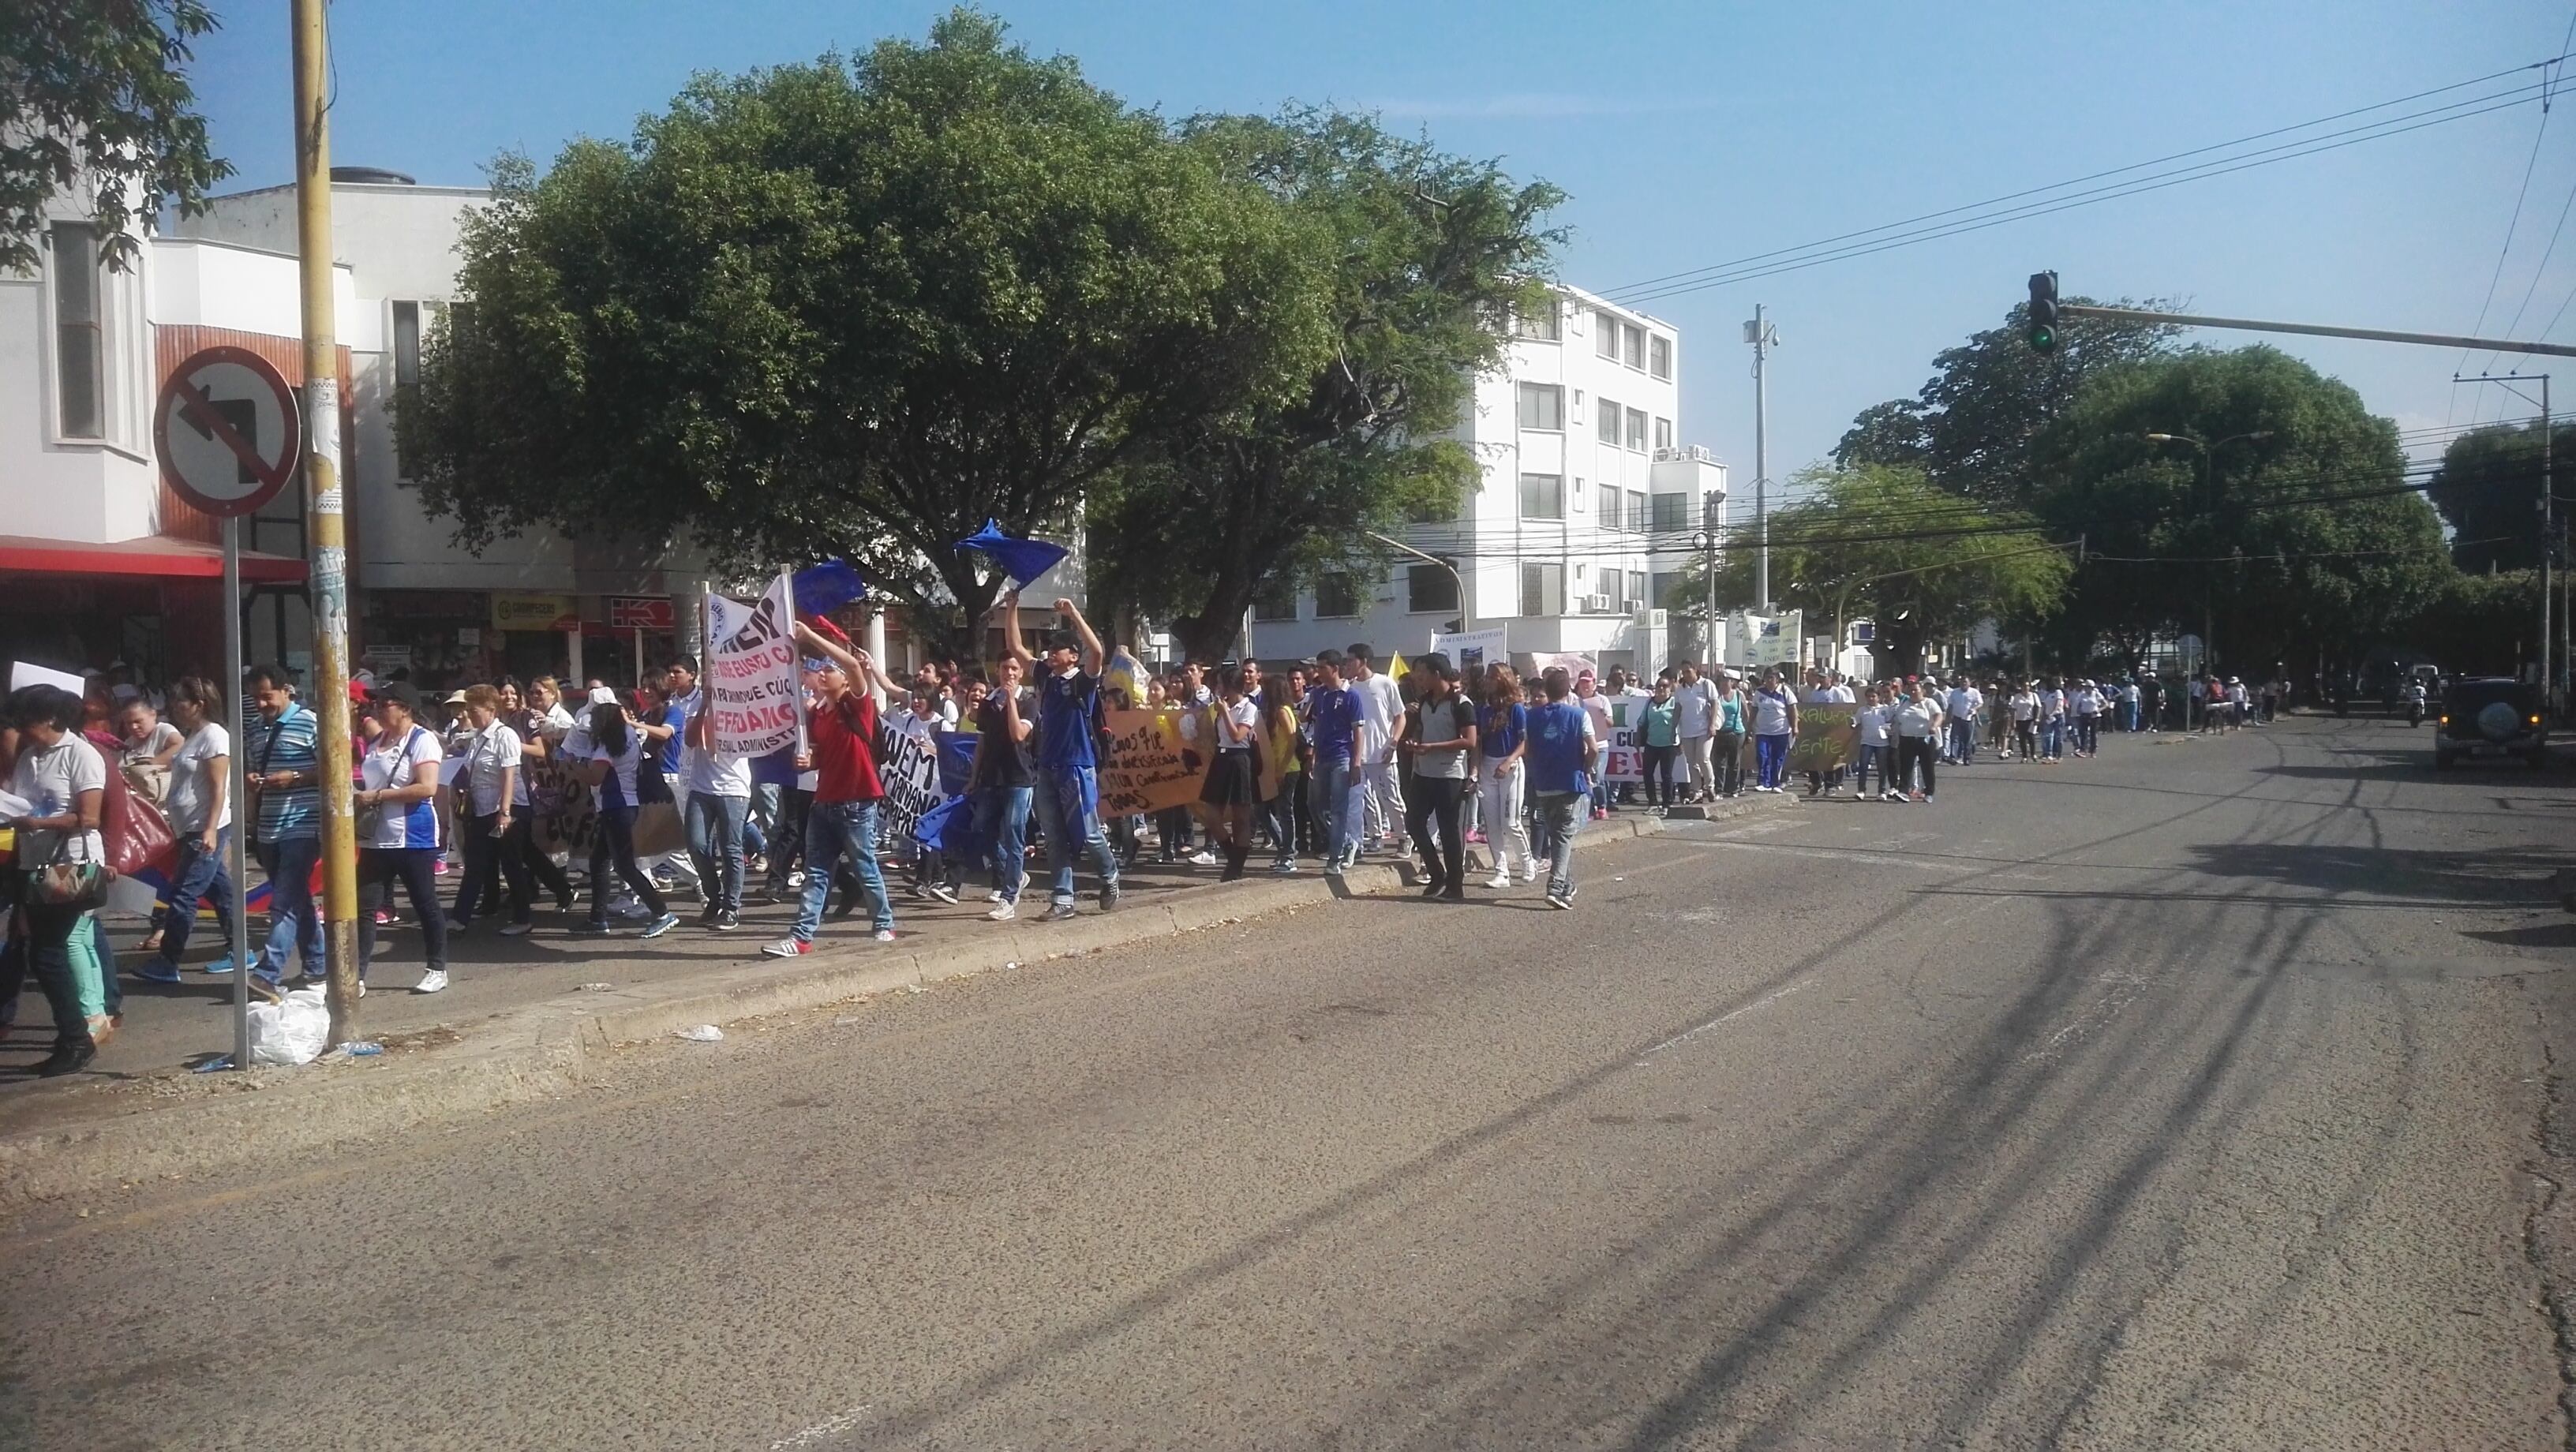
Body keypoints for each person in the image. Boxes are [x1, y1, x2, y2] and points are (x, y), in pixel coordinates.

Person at [766, 618, 899, 953]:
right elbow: (822, 757)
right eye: (819, 671)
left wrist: (810, 636)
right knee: (816, 873)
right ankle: (801, 937)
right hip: (823, 802)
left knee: (865, 867)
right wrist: (808, 762)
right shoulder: (819, 714)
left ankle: (884, 923)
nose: (822, 675)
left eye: (829, 670)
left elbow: (853, 664)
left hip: (856, 802)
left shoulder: (858, 704)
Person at [4, 684, 112, 1074]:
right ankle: (71, 1035)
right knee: (39, 952)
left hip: (68, 868)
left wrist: (37, 822)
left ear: (50, 719)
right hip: (33, 864)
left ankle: (76, 1039)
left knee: (48, 954)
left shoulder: (82, 754)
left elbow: (89, 817)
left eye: (25, 721)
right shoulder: (29, 756)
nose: (19, 729)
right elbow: (17, 799)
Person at [998, 593, 1122, 919]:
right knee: (1053, 838)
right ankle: (1063, 899)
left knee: (1089, 832)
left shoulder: (1083, 681)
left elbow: (1097, 651)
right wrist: (1011, 608)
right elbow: (1016, 648)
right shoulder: (1044, 677)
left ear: (1072, 656)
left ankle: (1109, 876)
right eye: (1050, 648)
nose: (1051, 653)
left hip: (1078, 767)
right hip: (1048, 767)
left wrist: (1074, 614)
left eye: (1059, 649)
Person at [136, 677, 238, 982]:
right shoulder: (194, 735)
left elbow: (219, 788)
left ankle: (169, 960)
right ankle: (240, 948)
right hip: (189, 827)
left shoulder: (214, 737)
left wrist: (209, 829)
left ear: (198, 704)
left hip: (205, 828)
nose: (174, 708)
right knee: (221, 892)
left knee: (183, 895)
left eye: (180, 702)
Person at [352, 683, 451, 993]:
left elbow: (427, 787)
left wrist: (378, 795)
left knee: (425, 903)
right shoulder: (378, 740)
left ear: (405, 708)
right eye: (377, 703)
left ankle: (437, 968)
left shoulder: (423, 740)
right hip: (375, 837)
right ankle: (356, 976)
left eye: (386, 703)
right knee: (365, 907)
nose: (379, 709)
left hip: (413, 837)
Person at [567, 697, 683, 941]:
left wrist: (573, 765)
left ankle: (663, 912)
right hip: (624, 805)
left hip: (616, 807)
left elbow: (595, 777)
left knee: (623, 865)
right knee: (599, 861)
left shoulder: (607, 745)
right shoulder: (628, 735)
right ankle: (597, 918)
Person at [242, 664, 324, 988]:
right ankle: (318, 964)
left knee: (284, 900)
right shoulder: (253, 728)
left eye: (266, 697)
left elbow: (334, 769)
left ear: (286, 690)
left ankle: (268, 971)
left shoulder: (311, 723)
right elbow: (251, 766)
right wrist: (252, 779)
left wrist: (296, 778)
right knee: (296, 898)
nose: (262, 705)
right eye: (255, 699)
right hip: (267, 827)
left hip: (303, 825)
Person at [447, 683, 533, 938]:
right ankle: (460, 918)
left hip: (502, 811)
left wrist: (505, 812)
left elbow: (509, 774)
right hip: (481, 810)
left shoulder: (505, 735)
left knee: (511, 865)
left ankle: (523, 918)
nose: (470, 715)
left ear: (490, 709)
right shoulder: (478, 737)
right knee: (476, 865)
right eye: (468, 710)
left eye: (474, 710)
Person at [680, 679, 755, 931]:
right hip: (701, 787)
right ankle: (714, 898)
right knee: (696, 844)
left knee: (731, 848)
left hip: (733, 789)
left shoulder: (746, 707)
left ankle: (731, 907)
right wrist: (705, 705)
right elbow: (691, 740)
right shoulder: (696, 707)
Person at [1522, 666, 1597, 910]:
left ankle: (1567, 885)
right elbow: (1593, 748)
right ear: (1568, 690)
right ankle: (1555, 887)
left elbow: (1528, 748)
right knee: (1564, 835)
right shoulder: (1578, 715)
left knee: (1557, 835)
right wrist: (1586, 768)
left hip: (1544, 783)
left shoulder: (1531, 716)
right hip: (1569, 781)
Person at [969, 652, 1035, 919]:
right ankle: (1015, 873)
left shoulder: (1029, 702)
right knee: (981, 831)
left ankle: (1008, 898)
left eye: (1014, 669)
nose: (1009, 673)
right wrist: (973, 777)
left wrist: (1010, 700)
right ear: (998, 670)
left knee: (1013, 834)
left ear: (1021, 673)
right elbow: (982, 743)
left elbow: (1018, 734)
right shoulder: (988, 703)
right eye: (1005, 668)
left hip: (1019, 777)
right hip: (991, 777)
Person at [1403, 654, 1475, 900]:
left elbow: (1470, 741)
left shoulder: (1461, 703)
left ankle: (1456, 886)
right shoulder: (1424, 702)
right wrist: (1414, 741)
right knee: (1413, 823)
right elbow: (1420, 731)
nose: (1418, 678)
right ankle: (1437, 874)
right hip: (1423, 773)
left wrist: (1432, 747)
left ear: (1436, 674)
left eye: (1422, 673)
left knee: (1449, 832)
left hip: (1450, 776)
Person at [1197, 666, 1262, 881]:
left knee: (1241, 817)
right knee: (1211, 815)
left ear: (1230, 685)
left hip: (1239, 759)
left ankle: (1236, 867)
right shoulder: (1219, 707)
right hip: (1221, 759)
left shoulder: (1248, 708)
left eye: (1220, 683)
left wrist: (1225, 713)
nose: (1217, 688)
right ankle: (1233, 857)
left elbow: (1237, 736)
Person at [1474, 666, 1534, 888]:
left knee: (1510, 822)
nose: (1488, 681)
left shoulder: (1516, 709)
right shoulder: (1485, 709)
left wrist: (1508, 761)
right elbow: (1479, 742)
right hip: (1488, 767)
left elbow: (1525, 742)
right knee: (1492, 824)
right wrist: (1477, 768)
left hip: (1510, 766)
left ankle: (1527, 862)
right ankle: (1501, 871)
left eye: (1492, 677)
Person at [1344, 645, 1406, 855]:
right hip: (1359, 756)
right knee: (1364, 800)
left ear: (1364, 661)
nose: (1348, 664)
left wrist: (1393, 742)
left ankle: (1405, 836)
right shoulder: (1350, 688)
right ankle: (1375, 835)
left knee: (1390, 798)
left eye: (1351, 660)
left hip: (1383, 754)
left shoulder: (1385, 683)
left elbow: (1400, 717)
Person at [1889, 679, 1945, 803]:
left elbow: (1938, 715)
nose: (1913, 692)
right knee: (1906, 767)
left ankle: (1929, 792)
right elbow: (1898, 719)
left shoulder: (1929, 703)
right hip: (1907, 738)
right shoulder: (1905, 703)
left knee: (1927, 767)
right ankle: (1903, 792)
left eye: (1916, 690)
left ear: (1923, 691)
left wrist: (1934, 726)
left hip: (1925, 739)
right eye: (1911, 690)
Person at [1673, 664, 1719, 803]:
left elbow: (1715, 704)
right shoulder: (1680, 689)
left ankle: (1710, 787)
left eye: (1688, 671)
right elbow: (1677, 710)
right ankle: (1697, 791)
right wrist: (1673, 730)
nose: (1686, 675)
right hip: (1687, 730)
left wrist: (1712, 725)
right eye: (1683, 672)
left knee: (1703, 758)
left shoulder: (1706, 684)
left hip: (1704, 729)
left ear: (1695, 670)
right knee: (1691, 762)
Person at [1573, 671, 1616, 819]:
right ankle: (1590, 809)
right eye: (1583, 682)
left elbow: (1611, 723)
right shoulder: (1574, 700)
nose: (1585, 685)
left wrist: (1603, 715)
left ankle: (1602, 806)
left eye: (1588, 682)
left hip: (1600, 745)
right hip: (1580, 745)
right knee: (1585, 777)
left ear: (1594, 684)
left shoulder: (1602, 700)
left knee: (1598, 777)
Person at [1749, 669, 1798, 793]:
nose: (1769, 680)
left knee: (1777, 757)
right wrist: (1749, 726)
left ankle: (1775, 783)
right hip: (1762, 730)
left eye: (1772, 678)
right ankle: (1763, 782)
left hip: (1780, 730)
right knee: (1762, 755)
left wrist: (1795, 726)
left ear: (1777, 679)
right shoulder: (1759, 692)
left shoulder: (1785, 691)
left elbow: (1793, 710)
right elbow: (1754, 710)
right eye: (1767, 678)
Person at [1638, 675, 1680, 810]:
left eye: (1665, 686)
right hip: (1651, 743)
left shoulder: (1675, 702)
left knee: (1666, 775)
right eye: (1659, 686)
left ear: (1670, 688)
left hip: (1669, 744)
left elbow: (1682, 722)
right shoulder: (1649, 702)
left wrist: (1682, 743)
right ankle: (1652, 803)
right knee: (1647, 773)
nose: (1661, 688)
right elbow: (1642, 722)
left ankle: (1667, 803)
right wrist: (1638, 740)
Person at [1712, 669, 1747, 799]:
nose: (1724, 683)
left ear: (1732, 682)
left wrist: (1749, 731)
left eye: (1727, 680)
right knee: (1719, 763)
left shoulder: (1739, 695)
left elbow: (1746, 713)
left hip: (1736, 732)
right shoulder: (1716, 696)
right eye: (1722, 680)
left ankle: (1733, 788)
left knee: (1734, 762)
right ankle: (1719, 789)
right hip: (1720, 732)